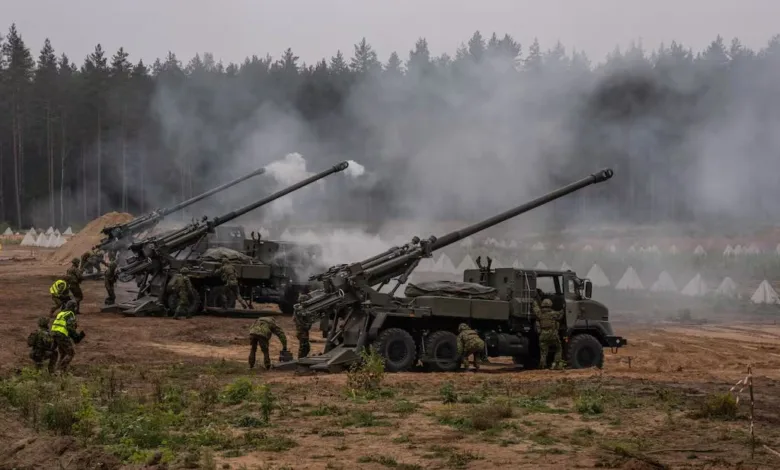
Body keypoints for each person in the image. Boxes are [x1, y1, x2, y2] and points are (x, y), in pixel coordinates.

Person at [49, 300, 85, 374]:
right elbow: (69, 327)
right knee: (71, 353)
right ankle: (60, 371)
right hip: (61, 334)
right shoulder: (70, 314)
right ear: (73, 307)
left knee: (63, 353)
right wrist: (76, 337)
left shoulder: (61, 313)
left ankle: (57, 369)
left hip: (54, 333)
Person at [537, 298, 563, 369]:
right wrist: (563, 308)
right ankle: (556, 365)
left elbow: (535, 310)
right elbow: (560, 315)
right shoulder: (553, 313)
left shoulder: (540, 314)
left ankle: (542, 365)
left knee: (543, 352)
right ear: (550, 305)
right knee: (558, 348)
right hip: (552, 334)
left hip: (543, 335)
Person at [293, 293, 312, 359]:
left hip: (304, 331)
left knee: (307, 348)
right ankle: (300, 360)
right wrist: (306, 325)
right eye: (306, 300)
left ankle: (303, 359)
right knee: (303, 347)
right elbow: (299, 322)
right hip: (301, 331)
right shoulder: (299, 310)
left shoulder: (302, 309)